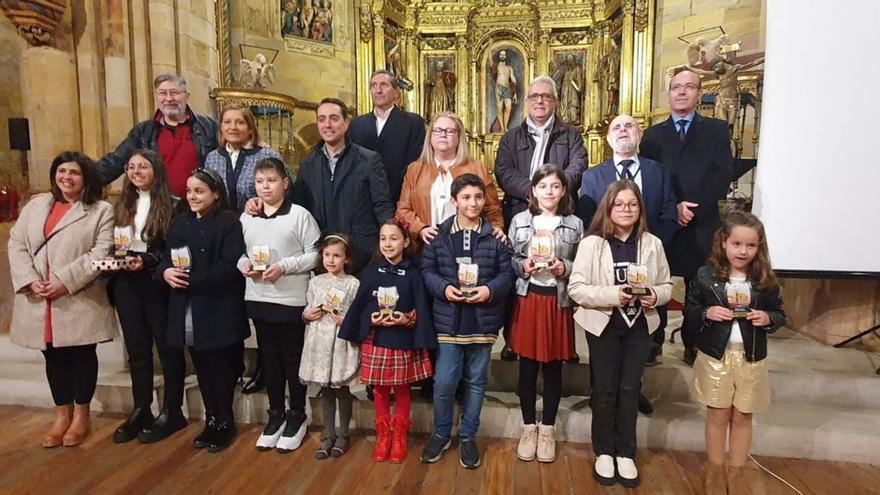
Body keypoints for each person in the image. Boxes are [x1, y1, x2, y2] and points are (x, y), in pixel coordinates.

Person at [567, 180, 673, 488]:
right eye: (620, 204)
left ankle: (626, 452)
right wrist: (615, 295)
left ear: (641, 209)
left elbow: (667, 285)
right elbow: (577, 289)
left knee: (629, 389)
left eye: (632, 204)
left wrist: (655, 295)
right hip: (605, 326)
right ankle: (603, 450)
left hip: (640, 327)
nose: (626, 210)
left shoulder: (652, 243)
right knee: (604, 390)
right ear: (608, 208)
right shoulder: (592, 243)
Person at [8, 151, 116, 448]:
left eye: (74, 173)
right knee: (52, 356)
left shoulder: (100, 210)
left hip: (78, 296)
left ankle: (82, 416)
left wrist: (63, 282)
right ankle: (61, 415)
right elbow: (16, 242)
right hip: (39, 295)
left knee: (81, 355)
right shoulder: (36, 205)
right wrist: (30, 279)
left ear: (86, 178)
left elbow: (101, 252)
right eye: (62, 171)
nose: (67, 177)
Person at [578, 114, 679, 413]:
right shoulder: (593, 176)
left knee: (640, 339)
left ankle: (634, 392)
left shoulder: (658, 172)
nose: (623, 131)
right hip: (606, 265)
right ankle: (600, 393)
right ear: (608, 138)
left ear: (639, 133)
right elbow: (589, 220)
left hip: (645, 261)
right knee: (603, 333)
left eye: (629, 126)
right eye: (617, 127)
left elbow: (670, 213)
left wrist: (647, 246)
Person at [420, 174, 515, 470]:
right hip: (449, 319)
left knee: (476, 381)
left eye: (478, 197)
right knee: (445, 381)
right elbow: (427, 268)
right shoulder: (439, 235)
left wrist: (489, 290)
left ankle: (468, 435)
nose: (472, 203)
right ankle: (440, 432)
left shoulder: (495, 236)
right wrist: (443, 288)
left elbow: (507, 273)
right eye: (466, 197)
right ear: (454, 201)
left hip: (482, 320)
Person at [685, 212, 784, 495]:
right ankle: (716, 471)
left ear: (759, 247)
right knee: (717, 415)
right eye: (737, 244)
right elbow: (691, 311)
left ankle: (737, 471)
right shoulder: (706, 276)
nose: (743, 251)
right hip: (716, 356)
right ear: (724, 243)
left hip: (751, 357)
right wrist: (707, 312)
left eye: (750, 246)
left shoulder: (764, 278)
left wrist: (769, 319)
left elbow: (779, 312)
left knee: (743, 416)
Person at [640, 69, 734, 366]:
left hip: (702, 220)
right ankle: (654, 340)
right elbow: (649, 177)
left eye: (689, 87)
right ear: (669, 94)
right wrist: (674, 207)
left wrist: (692, 207)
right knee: (659, 282)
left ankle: (693, 341)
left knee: (699, 286)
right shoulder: (653, 136)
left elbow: (722, 174)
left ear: (698, 93)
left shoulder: (717, 130)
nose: (681, 92)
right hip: (665, 221)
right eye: (676, 87)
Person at [494, 75, 587, 360]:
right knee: (519, 276)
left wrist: (554, 190)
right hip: (521, 214)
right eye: (534, 96)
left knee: (562, 274)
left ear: (556, 101)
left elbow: (578, 166)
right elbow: (503, 171)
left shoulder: (570, 135)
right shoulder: (512, 136)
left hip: (561, 213)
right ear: (526, 101)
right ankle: (513, 339)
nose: (540, 101)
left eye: (546, 96)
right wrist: (536, 193)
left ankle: (561, 341)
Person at [159, 169, 248, 453]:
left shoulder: (229, 222)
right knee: (201, 367)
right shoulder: (180, 222)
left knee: (221, 367)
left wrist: (192, 280)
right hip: (186, 306)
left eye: (199, 191)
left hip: (218, 306)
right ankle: (211, 418)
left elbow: (229, 264)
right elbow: (165, 257)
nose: (193, 196)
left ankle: (225, 420)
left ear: (216, 193)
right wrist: (165, 272)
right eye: (189, 191)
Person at [238, 158, 320, 453]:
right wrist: (244, 264)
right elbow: (239, 252)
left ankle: (298, 413)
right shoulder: (248, 217)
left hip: (290, 298)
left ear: (285, 182)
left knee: (291, 358)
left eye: (271, 180)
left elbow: (315, 254)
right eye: (260, 182)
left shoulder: (299, 215)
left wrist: (284, 266)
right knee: (268, 358)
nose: (265, 187)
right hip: (258, 296)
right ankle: (275, 414)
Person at [338, 219, 435, 464]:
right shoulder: (370, 272)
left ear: (405, 241)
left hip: (402, 337)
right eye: (383, 239)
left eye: (393, 238)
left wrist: (406, 318)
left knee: (402, 389)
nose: (388, 244)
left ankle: (400, 436)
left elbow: (421, 308)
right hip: (376, 338)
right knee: (379, 390)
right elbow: (360, 307)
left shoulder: (415, 273)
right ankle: (384, 435)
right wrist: (369, 317)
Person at [108, 150, 188, 445]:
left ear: (156, 169)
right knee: (137, 351)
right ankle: (141, 407)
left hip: (157, 281)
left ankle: (172, 409)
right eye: (131, 167)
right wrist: (115, 260)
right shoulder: (122, 203)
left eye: (143, 166)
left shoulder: (174, 205)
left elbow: (176, 246)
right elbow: (115, 242)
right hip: (127, 283)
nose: (136, 171)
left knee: (167, 350)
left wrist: (150, 261)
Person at [507, 164, 583, 463]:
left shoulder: (575, 224)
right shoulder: (520, 220)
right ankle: (528, 427)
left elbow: (583, 263)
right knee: (527, 366)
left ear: (563, 190)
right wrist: (523, 265)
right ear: (533, 191)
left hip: (557, 300)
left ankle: (548, 428)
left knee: (553, 366)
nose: (549, 192)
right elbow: (511, 258)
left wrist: (564, 267)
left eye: (555, 186)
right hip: (529, 298)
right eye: (543, 186)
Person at [291, 97, 395, 273]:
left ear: (346, 123)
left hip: (362, 254)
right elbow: (300, 209)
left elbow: (382, 205)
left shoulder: (369, 160)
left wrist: (388, 242)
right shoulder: (308, 164)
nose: (327, 124)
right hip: (325, 255)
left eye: (334, 118)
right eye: (322, 119)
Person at [396, 111, 504, 254]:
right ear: (430, 136)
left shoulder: (476, 167)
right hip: (426, 248)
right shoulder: (415, 169)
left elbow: (492, 209)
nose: (443, 134)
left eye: (450, 131)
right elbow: (403, 210)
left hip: (469, 247)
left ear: (459, 136)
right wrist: (420, 229)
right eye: (437, 130)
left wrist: (497, 229)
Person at [96, 74, 218, 198]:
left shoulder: (209, 127)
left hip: (198, 207)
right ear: (156, 97)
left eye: (175, 93)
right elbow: (115, 162)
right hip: (158, 206)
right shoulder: (143, 131)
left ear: (187, 96)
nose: (169, 98)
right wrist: (83, 178)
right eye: (163, 93)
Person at [299, 234, 360, 460]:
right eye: (327, 255)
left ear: (346, 259)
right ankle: (329, 434)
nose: (331, 260)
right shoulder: (315, 282)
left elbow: (356, 315)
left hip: (340, 342)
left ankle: (343, 434)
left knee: (341, 389)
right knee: (325, 391)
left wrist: (346, 320)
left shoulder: (353, 284)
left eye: (337, 256)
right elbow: (308, 307)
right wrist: (307, 314)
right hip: (319, 341)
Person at [348, 70, 426, 203]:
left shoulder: (413, 123)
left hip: (399, 197)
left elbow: (415, 162)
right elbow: (351, 161)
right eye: (374, 85)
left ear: (396, 93)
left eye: (384, 85)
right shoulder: (357, 124)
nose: (378, 90)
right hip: (363, 199)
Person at [204, 103, 283, 212]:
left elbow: (285, 191)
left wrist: (261, 202)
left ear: (250, 128)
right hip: (222, 226)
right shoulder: (212, 158)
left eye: (240, 122)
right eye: (227, 122)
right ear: (221, 127)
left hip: (259, 222)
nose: (233, 127)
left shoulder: (267, 156)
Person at [492, 50, 518, 132]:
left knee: (508, 107)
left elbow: (513, 79)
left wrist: (515, 93)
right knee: (499, 107)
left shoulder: (509, 68)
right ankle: (502, 128)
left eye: (504, 55)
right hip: (499, 87)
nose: (502, 56)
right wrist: (489, 45)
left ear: (505, 56)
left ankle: (505, 127)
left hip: (507, 88)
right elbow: (489, 59)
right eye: (501, 55)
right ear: (499, 56)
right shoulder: (496, 66)